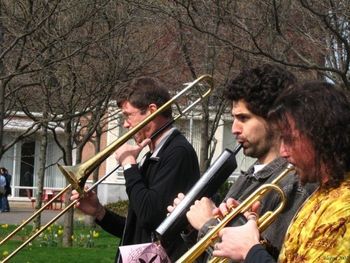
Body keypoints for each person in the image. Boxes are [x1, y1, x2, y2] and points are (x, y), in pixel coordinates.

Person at [169, 64, 316, 260]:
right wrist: (192, 225)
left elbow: (264, 256)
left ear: (276, 119)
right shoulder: (249, 176)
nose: (235, 129)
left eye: (243, 118)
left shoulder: (294, 184)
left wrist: (209, 224)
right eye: (234, 118)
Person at [212, 81, 350, 262]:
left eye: (289, 140)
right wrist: (249, 233)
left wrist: (250, 251)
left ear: (318, 136)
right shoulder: (325, 192)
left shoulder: (343, 207)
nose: (283, 152)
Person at [71, 76, 200, 262]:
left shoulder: (178, 152)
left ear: (152, 111)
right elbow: (138, 229)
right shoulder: (153, 155)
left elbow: (150, 216)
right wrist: (99, 212)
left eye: (128, 115)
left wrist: (129, 166)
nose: (125, 124)